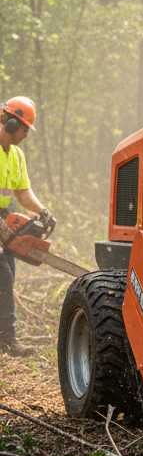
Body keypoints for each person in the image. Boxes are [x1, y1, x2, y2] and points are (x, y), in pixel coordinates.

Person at [0, 96, 54, 356]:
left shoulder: (16, 155)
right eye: (23, 129)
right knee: (3, 274)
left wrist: (42, 211)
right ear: (10, 122)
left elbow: (22, 193)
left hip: (4, 212)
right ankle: (8, 341)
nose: (25, 135)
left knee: (8, 270)